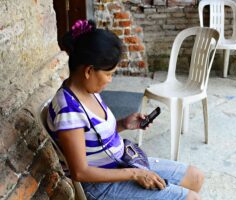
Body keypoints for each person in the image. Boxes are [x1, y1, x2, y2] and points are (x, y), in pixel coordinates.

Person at [47, 19, 204, 200]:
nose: (110, 80)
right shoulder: (69, 111)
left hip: (123, 162)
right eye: (108, 74)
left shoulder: (89, 91)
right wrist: (135, 174)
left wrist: (123, 124)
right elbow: (80, 172)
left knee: (195, 177)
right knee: (192, 198)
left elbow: (93, 138)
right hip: (101, 187)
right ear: (89, 70)